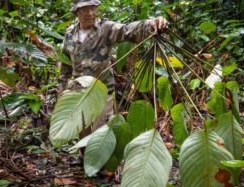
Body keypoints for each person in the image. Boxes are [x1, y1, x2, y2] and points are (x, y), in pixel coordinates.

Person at [60, 0, 169, 138]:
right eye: (84, 10)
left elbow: (127, 30)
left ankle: (101, 159)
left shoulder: (106, 28)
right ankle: (85, 157)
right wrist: (62, 89)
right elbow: (65, 63)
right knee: (82, 129)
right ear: (76, 12)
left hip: (103, 90)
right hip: (80, 91)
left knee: (100, 132)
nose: (90, 13)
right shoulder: (70, 34)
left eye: (93, 9)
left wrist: (151, 24)